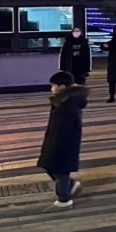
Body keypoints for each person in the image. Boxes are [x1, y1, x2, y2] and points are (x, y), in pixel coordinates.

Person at [38, 71, 88, 212]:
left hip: (62, 144)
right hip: (57, 142)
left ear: (62, 86)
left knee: (60, 171)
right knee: (50, 167)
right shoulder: (63, 101)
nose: (51, 89)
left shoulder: (67, 104)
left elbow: (63, 129)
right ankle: (71, 185)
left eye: (53, 85)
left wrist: (55, 147)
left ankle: (63, 201)